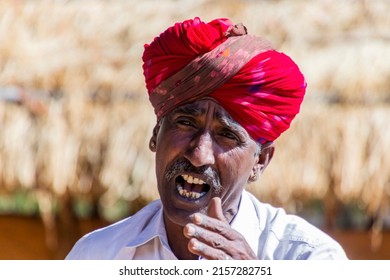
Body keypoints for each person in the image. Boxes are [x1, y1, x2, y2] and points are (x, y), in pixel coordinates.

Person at [66, 17, 347, 260]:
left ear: (260, 161)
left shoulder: (308, 258)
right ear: (155, 135)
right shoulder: (97, 256)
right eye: (186, 123)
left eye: (227, 135)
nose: (199, 154)